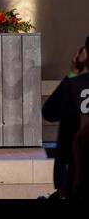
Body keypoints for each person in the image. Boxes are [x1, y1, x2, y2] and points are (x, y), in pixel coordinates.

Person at [42, 38, 89, 198]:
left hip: (75, 170)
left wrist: (73, 72)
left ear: (84, 55)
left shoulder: (75, 85)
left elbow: (49, 112)